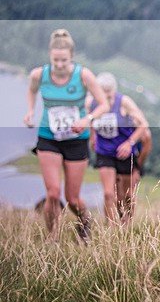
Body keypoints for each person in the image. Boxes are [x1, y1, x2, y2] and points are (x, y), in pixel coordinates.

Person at [23, 29, 110, 243]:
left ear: (71, 56)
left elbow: (104, 105)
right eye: (55, 60)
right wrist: (30, 111)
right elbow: (31, 90)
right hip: (48, 136)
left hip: (76, 140)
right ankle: (53, 238)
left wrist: (86, 120)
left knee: (72, 198)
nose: (60, 64)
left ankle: (84, 221)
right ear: (50, 56)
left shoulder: (83, 75)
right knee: (52, 193)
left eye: (63, 60)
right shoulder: (39, 74)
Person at [87, 72, 150, 226]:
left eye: (109, 94)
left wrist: (129, 143)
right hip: (104, 152)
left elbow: (143, 126)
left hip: (124, 153)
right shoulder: (90, 103)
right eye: (102, 93)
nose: (106, 98)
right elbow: (89, 120)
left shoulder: (124, 102)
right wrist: (92, 136)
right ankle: (111, 228)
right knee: (109, 193)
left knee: (127, 194)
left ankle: (126, 223)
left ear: (114, 91)